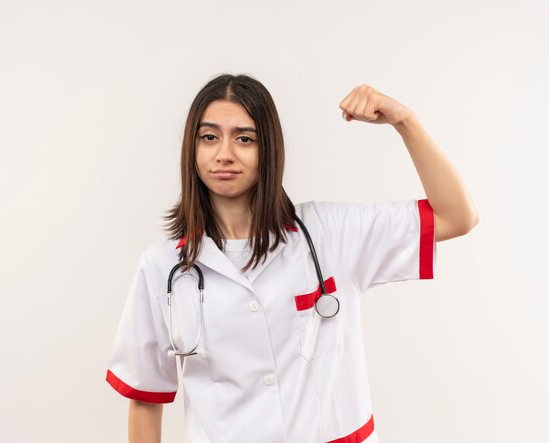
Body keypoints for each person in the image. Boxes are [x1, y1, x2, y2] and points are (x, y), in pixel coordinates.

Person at [105, 73, 479, 443]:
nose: (224, 154)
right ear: (193, 148)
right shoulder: (162, 268)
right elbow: (144, 397)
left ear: (269, 148)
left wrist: (405, 122)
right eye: (209, 137)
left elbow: (457, 216)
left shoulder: (332, 233)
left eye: (244, 139)